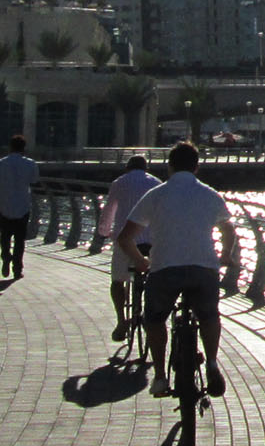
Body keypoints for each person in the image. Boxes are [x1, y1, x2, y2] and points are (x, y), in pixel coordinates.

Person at [116, 141, 230, 400]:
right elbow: (228, 230)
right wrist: (225, 256)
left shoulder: (156, 195)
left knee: (155, 318)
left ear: (170, 167)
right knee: (209, 315)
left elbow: (125, 238)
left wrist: (141, 261)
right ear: (197, 167)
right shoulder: (210, 195)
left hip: (165, 268)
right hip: (203, 268)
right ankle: (212, 364)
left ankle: (159, 376)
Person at [98, 154, 161, 343]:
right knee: (154, 280)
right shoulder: (156, 183)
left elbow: (109, 210)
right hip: (151, 240)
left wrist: (103, 231)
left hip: (125, 239)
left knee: (118, 281)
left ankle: (121, 321)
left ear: (127, 168)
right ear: (146, 169)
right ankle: (151, 317)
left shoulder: (119, 183)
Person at [0, 134, 39, 279]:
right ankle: (17, 268)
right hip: (23, 205)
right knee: (19, 239)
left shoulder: (1, 163)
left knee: (4, 236)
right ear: (24, 148)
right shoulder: (31, 164)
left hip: (4, 204)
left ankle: (6, 256)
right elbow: (34, 180)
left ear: (10, 147)